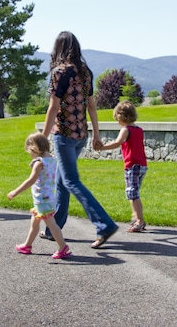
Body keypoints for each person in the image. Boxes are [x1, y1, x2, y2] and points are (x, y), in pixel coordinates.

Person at [41, 31, 119, 249]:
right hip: (81, 136)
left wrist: (42, 138)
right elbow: (92, 105)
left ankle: (104, 224)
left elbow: (53, 107)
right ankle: (52, 229)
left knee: (71, 181)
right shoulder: (86, 71)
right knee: (62, 181)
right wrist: (96, 134)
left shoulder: (59, 72)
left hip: (64, 135)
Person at [7, 132, 71, 259]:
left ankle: (63, 247)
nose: (30, 155)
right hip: (46, 197)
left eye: (30, 152)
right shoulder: (51, 159)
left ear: (34, 148)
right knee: (35, 223)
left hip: (42, 199)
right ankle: (27, 245)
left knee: (51, 224)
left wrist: (16, 191)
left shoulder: (39, 163)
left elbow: (30, 180)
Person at [98, 101, 148, 232]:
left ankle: (139, 221)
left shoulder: (126, 130)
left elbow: (117, 142)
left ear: (122, 116)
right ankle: (136, 217)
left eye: (117, 118)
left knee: (132, 194)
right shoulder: (139, 129)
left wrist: (102, 147)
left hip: (132, 166)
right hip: (142, 165)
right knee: (134, 193)